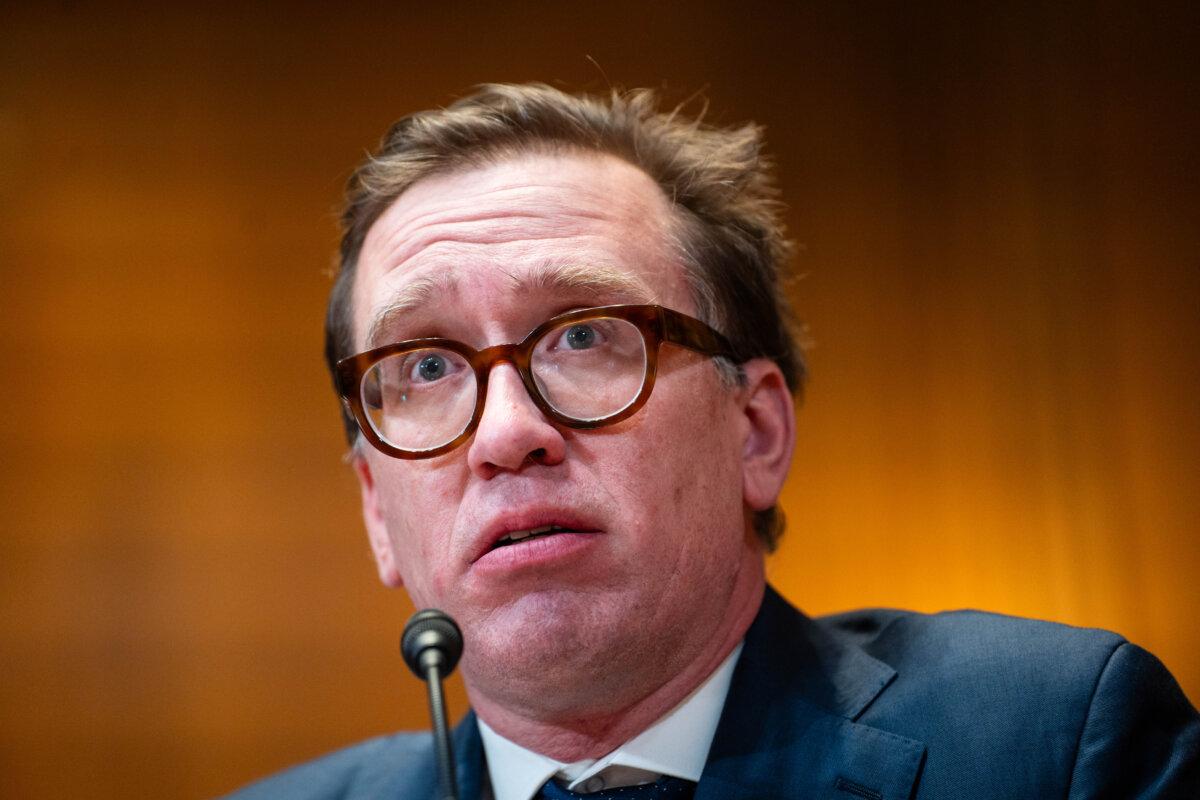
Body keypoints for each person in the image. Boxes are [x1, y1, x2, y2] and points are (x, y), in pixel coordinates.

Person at [226, 83, 1199, 799]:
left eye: (583, 335)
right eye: (427, 368)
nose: (508, 432)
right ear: (375, 512)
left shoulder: (1054, 744)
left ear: (757, 428)